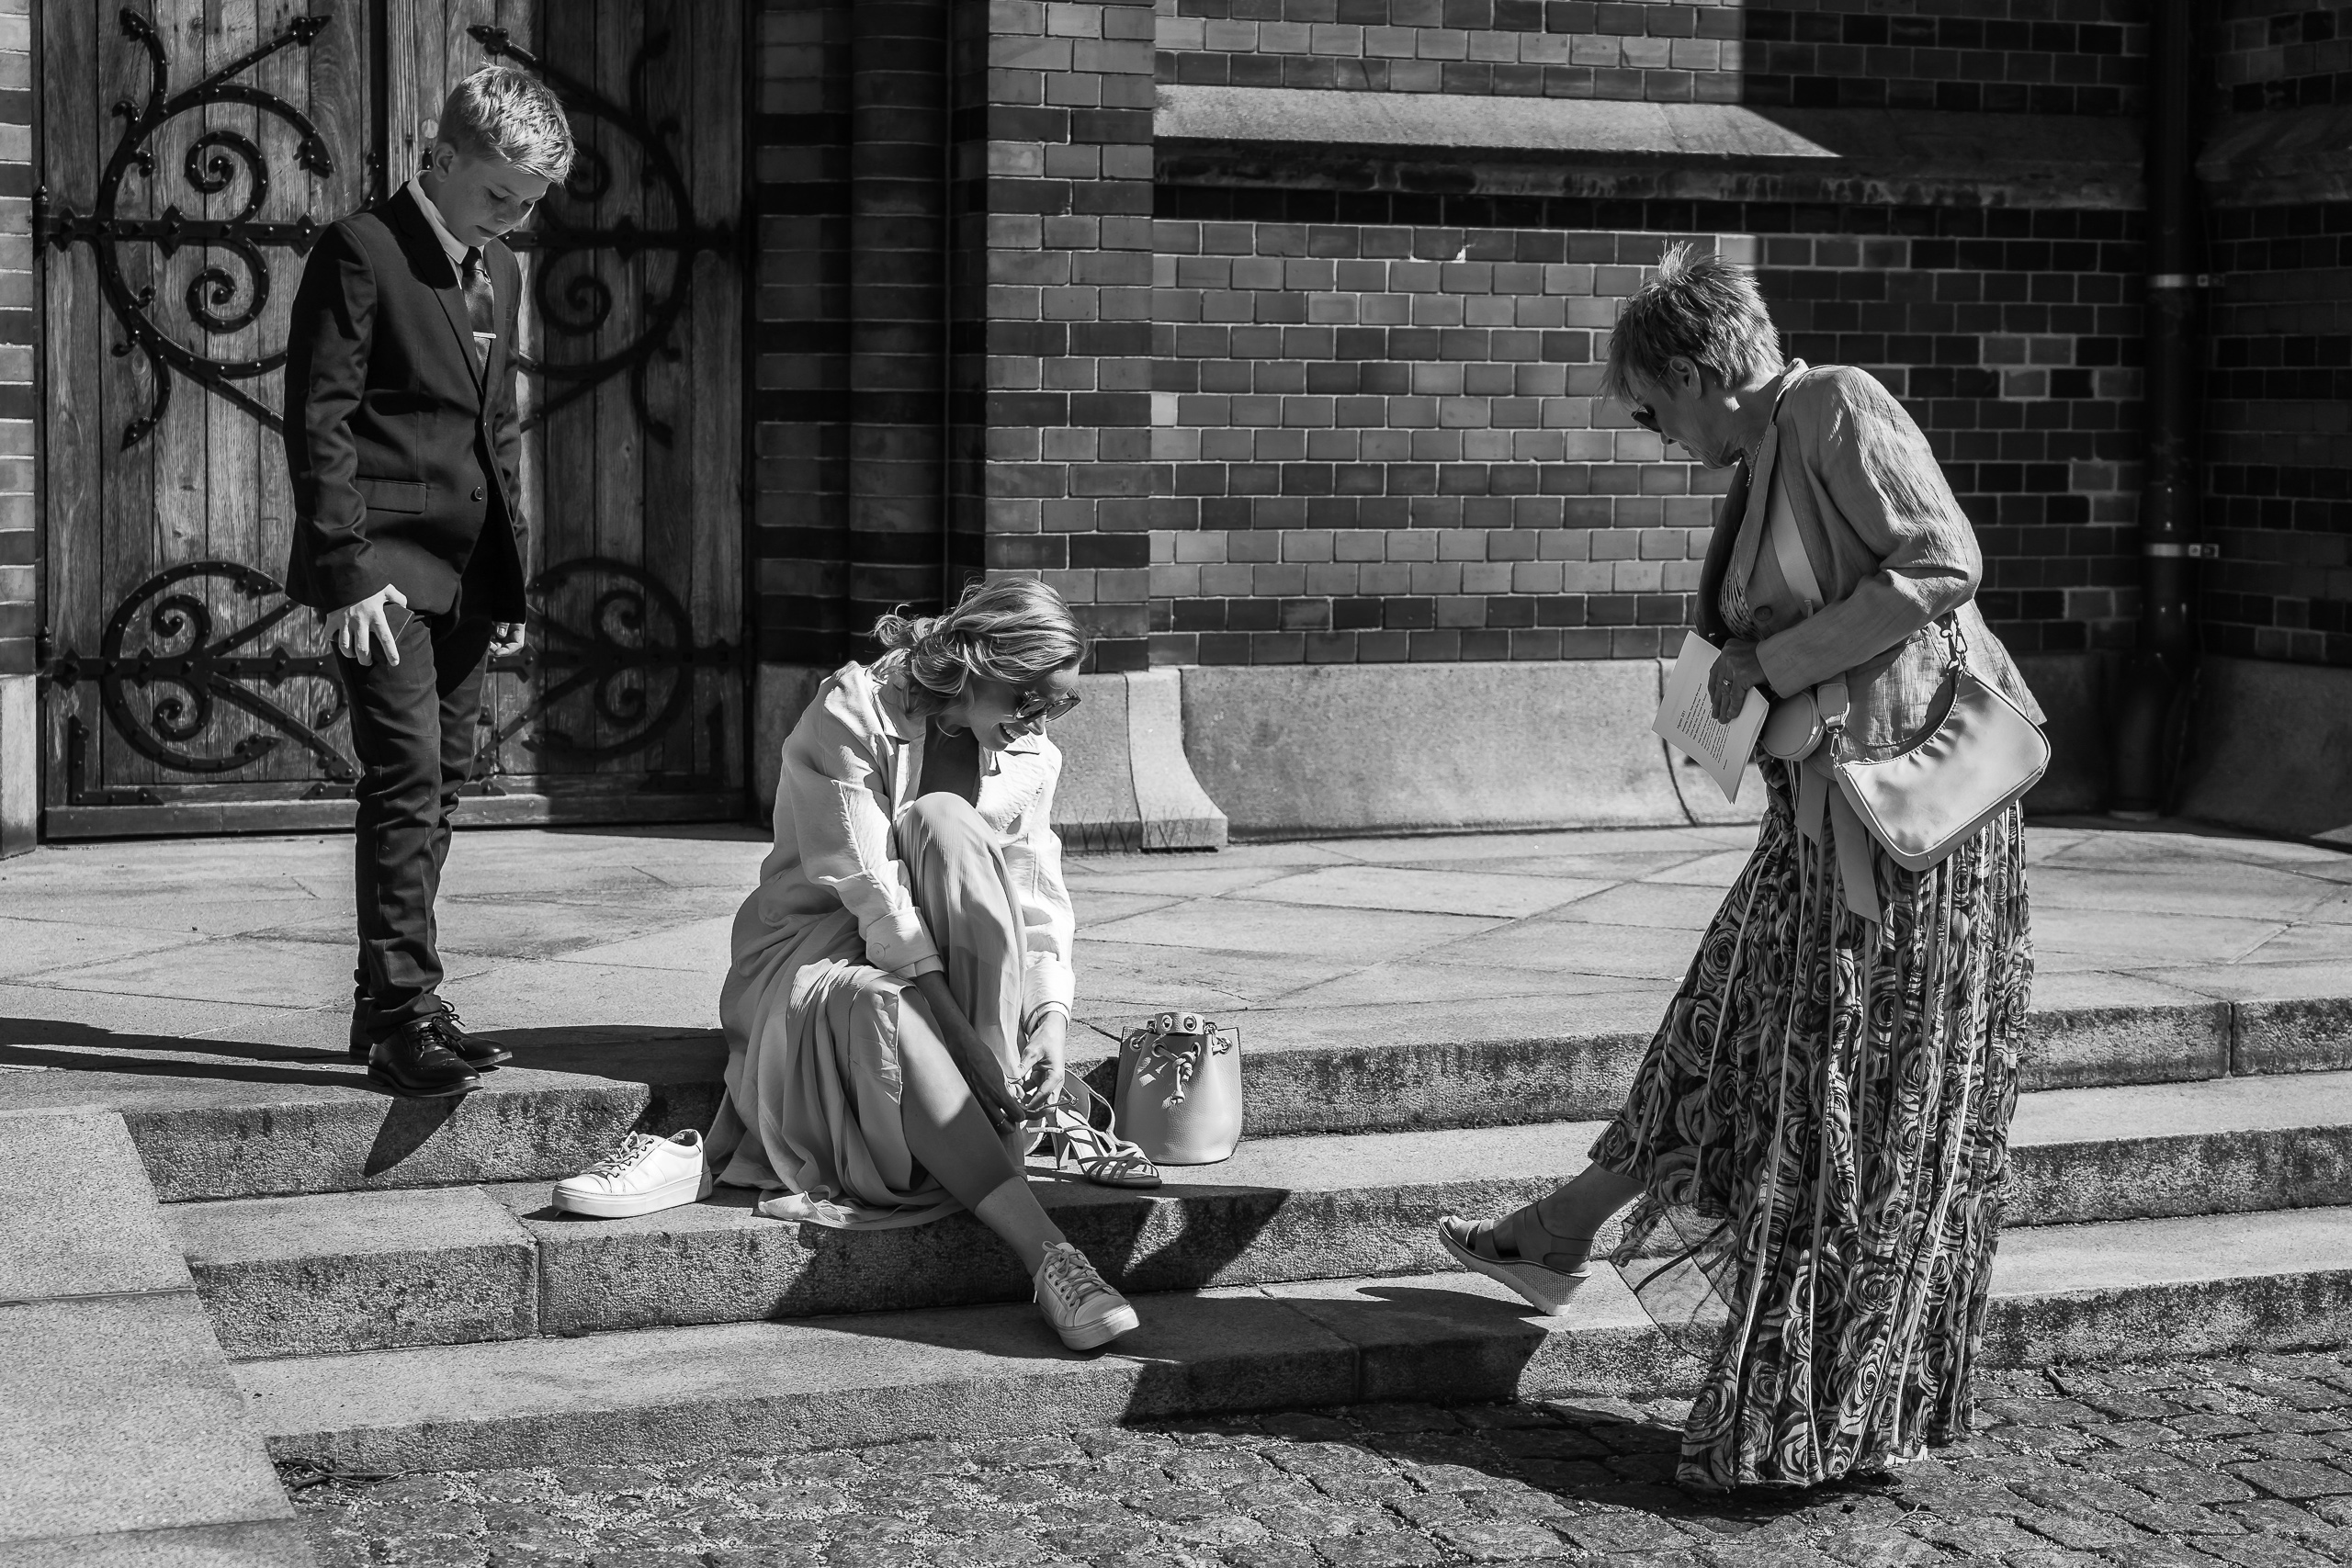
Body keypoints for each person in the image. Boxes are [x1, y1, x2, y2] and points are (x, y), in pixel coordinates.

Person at [1442, 246, 2041, 1490]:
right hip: (1823, 823)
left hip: (1900, 836)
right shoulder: (1769, 445)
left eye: (1654, 410)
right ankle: (1563, 1233)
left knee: (1838, 1109)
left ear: (1700, 369)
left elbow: (1941, 563)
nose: (1659, 439)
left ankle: (1819, 1412)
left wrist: (1771, 665)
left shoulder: (1835, 406)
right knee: (1726, 1037)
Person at [688, 577, 1137, 1351]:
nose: (1038, 721)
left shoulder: (1032, 757)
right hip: (821, 944)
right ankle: (1051, 1253)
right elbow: (871, 889)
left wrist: (1049, 1026)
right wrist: (962, 1038)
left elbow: (1033, 899)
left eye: (1057, 705)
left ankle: (996, 1101)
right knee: (884, 992)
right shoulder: (854, 709)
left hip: (960, 981)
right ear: (977, 662)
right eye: (1029, 697)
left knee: (951, 826)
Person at [282, 67, 573, 1099]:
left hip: (465, 574)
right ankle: (404, 1014)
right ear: (441, 159)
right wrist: (346, 570)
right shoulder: (361, 250)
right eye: (501, 193)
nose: (516, 215)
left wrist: (509, 581)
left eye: (532, 201)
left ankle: (391, 998)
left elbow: (495, 433)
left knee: (446, 782)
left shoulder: (500, 268)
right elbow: (320, 421)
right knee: (404, 776)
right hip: (384, 571)